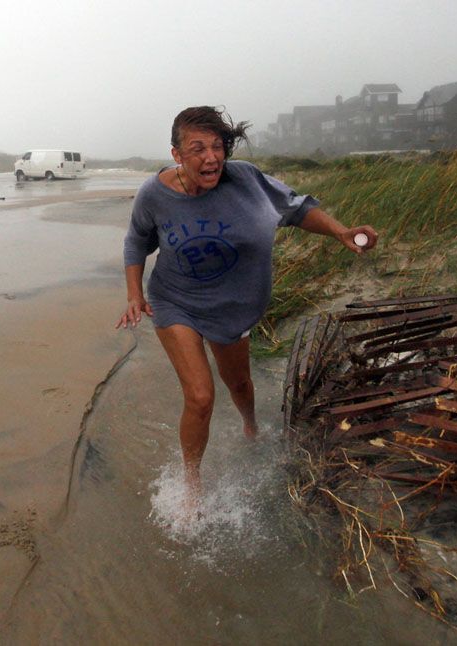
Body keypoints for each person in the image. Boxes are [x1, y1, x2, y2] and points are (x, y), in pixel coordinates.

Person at [117, 106, 377, 508]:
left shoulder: (247, 180)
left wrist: (342, 232)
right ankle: (191, 486)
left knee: (239, 384)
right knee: (201, 397)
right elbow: (137, 241)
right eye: (197, 148)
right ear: (177, 154)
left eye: (217, 147)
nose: (210, 157)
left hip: (233, 308)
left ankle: (251, 426)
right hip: (176, 303)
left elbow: (298, 209)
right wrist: (135, 293)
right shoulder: (155, 195)